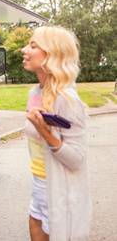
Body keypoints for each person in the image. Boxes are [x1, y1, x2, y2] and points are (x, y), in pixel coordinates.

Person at [21, 26, 91, 240]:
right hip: (38, 185)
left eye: (33, 45)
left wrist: (47, 133)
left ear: (52, 54)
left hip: (59, 190)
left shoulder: (67, 100)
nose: (24, 49)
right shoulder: (35, 92)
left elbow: (77, 160)